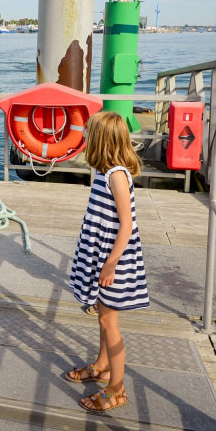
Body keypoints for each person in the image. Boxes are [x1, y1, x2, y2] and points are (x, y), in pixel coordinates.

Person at [65, 111, 149, 414]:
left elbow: (126, 224)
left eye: (89, 133)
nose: (85, 136)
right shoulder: (104, 171)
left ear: (101, 140)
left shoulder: (116, 175)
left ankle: (117, 388)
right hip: (100, 254)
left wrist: (111, 263)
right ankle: (101, 366)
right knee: (102, 314)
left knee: (108, 320)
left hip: (114, 260)